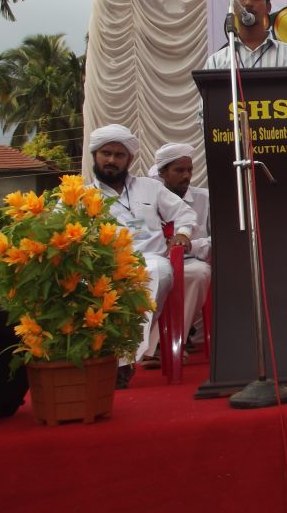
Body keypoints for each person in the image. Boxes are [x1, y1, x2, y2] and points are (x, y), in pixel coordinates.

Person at [86, 125, 197, 385]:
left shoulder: (150, 188)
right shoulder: (81, 195)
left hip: (149, 260)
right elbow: (58, 226)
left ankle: (122, 358)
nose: (112, 160)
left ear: (130, 159)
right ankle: (115, 358)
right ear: (95, 155)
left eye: (119, 155)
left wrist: (183, 234)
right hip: (105, 265)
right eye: (106, 153)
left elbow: (184, 213)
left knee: (158, 271)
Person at [149, 143, 211, 349]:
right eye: (179, 170)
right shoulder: (147, 201)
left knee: (199, 273)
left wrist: (190, 246)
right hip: (154, 261)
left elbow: (220, 241)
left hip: (190, 261)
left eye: (189, 170)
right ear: (162, 173)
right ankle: (154, 345)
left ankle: (170, 344)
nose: (186, 176)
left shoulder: (205, 199)